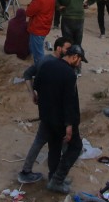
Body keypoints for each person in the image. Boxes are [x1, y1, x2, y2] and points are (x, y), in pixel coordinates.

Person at [33, 42, 86, 194]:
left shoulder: (47, 65)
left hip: (47, 116)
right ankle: (57, 179)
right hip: (62, 120)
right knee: (75, 147)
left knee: (54, 147)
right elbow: (69, 101)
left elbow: (37, 85)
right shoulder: (69, 74)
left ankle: (53, 178)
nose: (79, 63)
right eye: (80, 60)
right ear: (74, 57)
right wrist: (69, 125)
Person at [25, 0, 55, 66]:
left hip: (38, 27)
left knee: (38, 53)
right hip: (45, 25)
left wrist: (30, 5)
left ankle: (40, 71)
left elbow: (28, 12)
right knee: (38, 48)